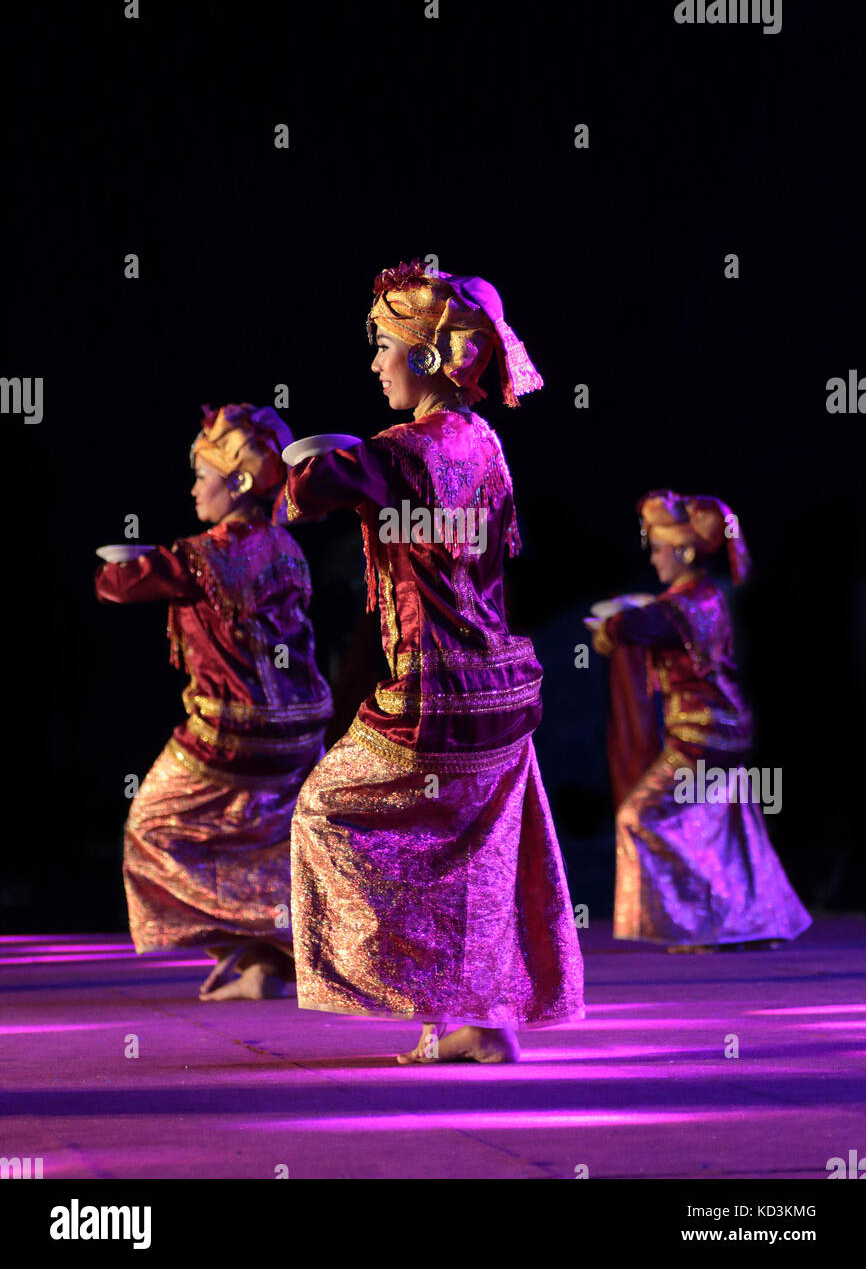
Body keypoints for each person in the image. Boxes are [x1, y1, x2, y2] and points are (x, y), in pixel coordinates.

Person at [284, 260, 584, 1063]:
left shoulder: (397, 449)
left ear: (423, 356)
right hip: (502, 687)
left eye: (383, 346)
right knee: (470, 851)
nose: (375, 362)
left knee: (323, 811)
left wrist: (312, 460)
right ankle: (474, 1020)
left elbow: (298, 497)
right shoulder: (485, 441)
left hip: (433, 693)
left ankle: (441, 999)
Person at [95, 403, 333, 998]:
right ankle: (265, 962)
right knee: (261, 835)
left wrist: (122, 567)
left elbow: (121, 584)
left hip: (229, 735)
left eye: (204, 475)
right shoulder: (288, 549)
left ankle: (254, 938)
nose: (194, 487)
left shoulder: (201, 555)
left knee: (152, 828)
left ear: (240, 482)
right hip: (301, 735)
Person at [590, 490, 811, 952]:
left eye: (657, 549)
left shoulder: (678, 607)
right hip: (732, 732)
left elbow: (627, 628)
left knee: (639, 816)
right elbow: (655, 616)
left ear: (685, 550)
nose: (652, 559)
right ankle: (753, 925)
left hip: (700, 736)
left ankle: (697, 923)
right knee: (728, 828)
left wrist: (609, 625)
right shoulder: (708, 596)